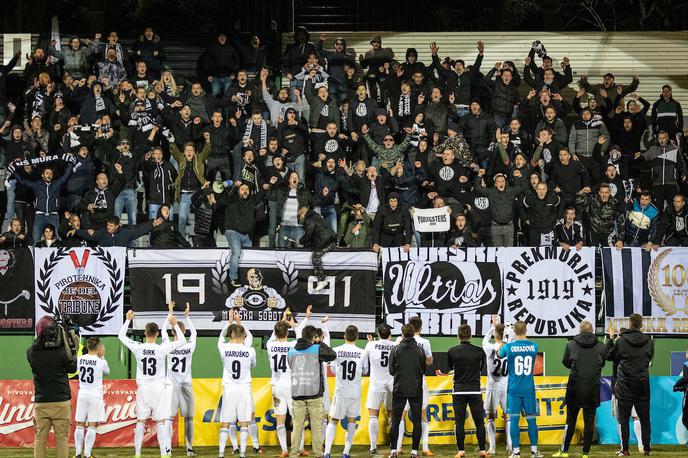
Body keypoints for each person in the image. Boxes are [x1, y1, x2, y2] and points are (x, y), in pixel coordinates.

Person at [118, 309, 186, 458]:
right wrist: (174, 325)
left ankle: (137, 453)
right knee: (161, 422)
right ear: (157, 334)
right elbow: (182, 341)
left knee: (140, 422)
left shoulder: (138, 347)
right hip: (158, 388)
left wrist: (128, 319)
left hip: (143, 388)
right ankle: (164, 454)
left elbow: (121, 336)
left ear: (145, 333)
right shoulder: (162, 348)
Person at [553, 321, 609, 458]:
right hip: (592, 390)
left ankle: (564, 451)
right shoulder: (601, 346)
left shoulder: (571, 345)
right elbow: (602, 363)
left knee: (570, 421)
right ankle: (585, 453)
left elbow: (565, 362)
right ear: (593, 331)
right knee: (589, 423)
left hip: (574, 389)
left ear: (580, 330)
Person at [27, 316, 78, 458]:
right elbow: (72, 368)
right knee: (62, 440)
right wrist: (71, 346)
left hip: (41, 402)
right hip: (61, 402)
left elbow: (37, 348)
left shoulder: (31, 352)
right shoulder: (62, 352)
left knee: (39, 440)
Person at [287, 320, 336, 458]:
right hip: (314, 394)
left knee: (297, 428)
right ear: (314, 337)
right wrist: (319, 342)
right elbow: (332, 355)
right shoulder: (316, 349)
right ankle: (318, 454)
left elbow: (292, 366)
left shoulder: (291, 351)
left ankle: (293, 454)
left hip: (297, 394)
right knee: (316, 428)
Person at [607, 314, 654, 456]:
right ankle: (646, 449)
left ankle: (625, 450)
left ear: (630, 324)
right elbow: (648, 358)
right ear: (641, 325)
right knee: (645, 420)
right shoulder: (649, 342)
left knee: (623, 420)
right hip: (642, 387)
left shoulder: (621, 342)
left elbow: (610, 356)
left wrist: (610, 340)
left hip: (624, 386)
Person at [498, 321, 543, 458]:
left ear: (514, 331)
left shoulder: (509, 347)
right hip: (528, 388)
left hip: (514, 389)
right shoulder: (534, 346)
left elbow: (499, 354)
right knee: (531, 420)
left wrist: (503, 340)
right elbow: (527, 346)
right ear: (526, 330)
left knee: (514, 420)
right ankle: (534, 451)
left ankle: (516, 452)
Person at [324, 325, 368, 458]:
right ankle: (345, 452)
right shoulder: (362, 352)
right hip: (354, 392)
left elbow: (331, 370)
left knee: (333, 421)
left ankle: (327, 452)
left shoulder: (336, 350)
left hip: (340, 391)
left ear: (344, 336)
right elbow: (365, 371)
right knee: (351, 421)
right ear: (357, 337)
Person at [217, 311, 257, 458]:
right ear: (244, 336)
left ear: (231, 334)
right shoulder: (250, 350)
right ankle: (242, 454)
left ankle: (221, 454)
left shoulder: (224, 349)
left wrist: (229, 323)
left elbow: (221, 337)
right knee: (244, 422)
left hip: (229, 389)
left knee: (225, 423)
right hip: (244, 389)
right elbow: (252, 364)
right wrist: (240, 323)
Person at [161, 302, 197, 457]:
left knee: (168, 417)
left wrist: (170, 314)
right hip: (186, 383)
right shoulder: (189, 345)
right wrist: (187, 317)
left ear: (172, 332)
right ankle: (189, 449)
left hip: (171, 384)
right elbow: (194, 333)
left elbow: (163, 331)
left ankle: (168, 448)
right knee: (188, 418)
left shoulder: (169, 345)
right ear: (184, 331)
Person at [394, 316, 434, 455]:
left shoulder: (399, 340)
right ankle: (424, 448)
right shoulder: (425, 342)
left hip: (402, 382)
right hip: (418, 382)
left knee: (401, 415)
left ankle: (398, 447)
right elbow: (429, 362)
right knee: (423, 415)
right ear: (421, 328)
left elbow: (394, 360)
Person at [446, 324, 487, 457]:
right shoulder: (479, 351)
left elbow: (451, 367)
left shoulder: (452, 351)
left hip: (458, 390)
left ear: (458, 336)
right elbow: (481, 369)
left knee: (459, 422)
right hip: (474, 390)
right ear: (471, 335)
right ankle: (482, 451)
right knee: (479, 422)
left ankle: (461, 451)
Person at [389, 323, 427, 458]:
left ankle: (394, 451)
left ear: (402, 334)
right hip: (416, 389)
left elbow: (391, 371)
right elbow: (424, 370)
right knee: (417, 421)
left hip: (399, 388)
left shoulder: (396, 349)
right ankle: (414, 452)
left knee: (396, 420)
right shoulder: (420, 350)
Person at [266, 313, 298, 458]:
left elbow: (274, 334)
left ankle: (284, 450)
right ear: (287, 332)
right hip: (291, 386)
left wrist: (281, 323)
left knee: (280, 418)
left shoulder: (270, 345)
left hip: (277, 386)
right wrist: (293, 326)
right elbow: (301, 339)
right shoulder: (292, 345)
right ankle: (297, 448)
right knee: (297, 419)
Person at [73, 337, 110, 458]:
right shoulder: (101, 362)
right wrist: (102, 356)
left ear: (87, 347)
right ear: (99, 348)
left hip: (82, 394)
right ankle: (87, 454)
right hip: (95, 395)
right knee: (92, 425)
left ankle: (78, 453)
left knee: (79, 424)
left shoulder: (80, 359)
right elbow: (107, 372)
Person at [364, 323, 396, 455]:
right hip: (391, 384)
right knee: (392, 416)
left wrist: (371, 343)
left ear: (378, 334)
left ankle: (373, 446)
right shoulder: (395, 346)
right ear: (389, 334)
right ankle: (394, 445)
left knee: (373, 416)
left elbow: (365, 365)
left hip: (375, 385)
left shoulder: (370, 345)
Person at [482, 316, 511, 456]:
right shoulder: (509, 348)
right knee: (508, 416)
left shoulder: (489, 347)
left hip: (493, 387)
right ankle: (510, 445)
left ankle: (492, 448)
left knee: (490, 416)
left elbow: (484, 341)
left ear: (495, 334)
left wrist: (493, 327)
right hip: (506, 386)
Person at [297, 206, 337, 291]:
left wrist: (300, 241)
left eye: (299, 216)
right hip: (331, 239)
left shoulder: (309, 220)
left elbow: (308, 235)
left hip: (325, 241)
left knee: (315, 258)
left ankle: (321, 280)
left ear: (303, 213)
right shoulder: (316, 216)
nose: (299, 218)